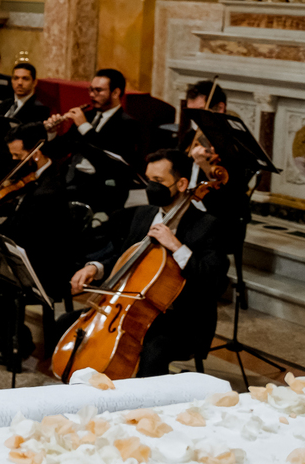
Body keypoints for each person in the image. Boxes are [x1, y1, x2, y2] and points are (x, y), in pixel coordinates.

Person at [65, 150, 229, 377]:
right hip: (135, 308)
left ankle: (146, 407)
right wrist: (94, 267)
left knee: (154, 350)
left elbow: (214, 282)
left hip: (182, 318)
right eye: (149, 180)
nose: (151, 187)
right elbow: (125, 257)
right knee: (65, 324)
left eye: (159, 182)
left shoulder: (208, 225)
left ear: (181, 184)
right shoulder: (144, 215)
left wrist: (177, 247)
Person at [0, 122, 73, 365]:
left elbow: (17, 238)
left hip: (44, 265)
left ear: (36, 153)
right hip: (30, 250)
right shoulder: (32, 178)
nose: (15, 162)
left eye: (19, 156)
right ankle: (9, 332)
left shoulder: (48, 191)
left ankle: (17, 339)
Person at [44, 68, 140, 215]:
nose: (91, 95)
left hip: (101, 187)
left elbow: (107, 157)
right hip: (71, 179)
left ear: (115, 93)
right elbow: (58, 151)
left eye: (98, 91)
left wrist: (84, 127)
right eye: (91, 90)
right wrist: (52, 133)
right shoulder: (87, 116)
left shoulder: (127, 124)